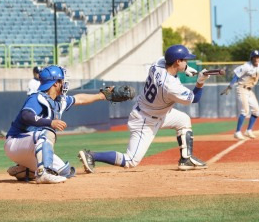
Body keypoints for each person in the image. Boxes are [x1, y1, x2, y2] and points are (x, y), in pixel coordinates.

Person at [78, 44, 210, 174]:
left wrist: (185, 68)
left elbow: (168, 60)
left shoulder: (157, 63)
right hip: (145, 121)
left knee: (183, 120)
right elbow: (195, 98)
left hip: (156, 112)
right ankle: (92, 156)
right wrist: (200, 81)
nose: (187, 61)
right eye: (185, 60)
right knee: (131, 161)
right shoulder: (170, 86)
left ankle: (186, 159)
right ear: (177, 61)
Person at [4, 65, 110, 184]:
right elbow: (26, 115)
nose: (64, 83)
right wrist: (50, 122)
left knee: (65, 172)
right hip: (15, 142)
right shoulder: (37, 98)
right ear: (55, 83)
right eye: (62, 80)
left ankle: (24, 170)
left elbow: (79, 99)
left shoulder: (59, 100)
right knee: (47, 132)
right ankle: (43, 173)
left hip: (31, 147)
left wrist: (101, 96)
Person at [220, 50, 259, 140]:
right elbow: (236, 76)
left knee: (256, 111)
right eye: (255, 57)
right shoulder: (246, 66)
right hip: (242, 88)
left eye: (258, 57)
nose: (256, 59)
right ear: (251, 58)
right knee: (245, 110)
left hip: (249, 90)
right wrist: (230, 86)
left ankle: (248, 130)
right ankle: (237, 132)